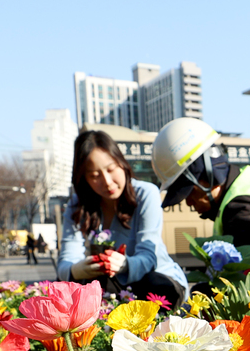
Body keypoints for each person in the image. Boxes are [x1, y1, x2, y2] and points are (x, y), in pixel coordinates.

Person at [56, 129, 189, 304]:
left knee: (150, 286)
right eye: (94, 175)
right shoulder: (77, 206)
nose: (107, 181)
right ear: (84, 179)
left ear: (122, 163)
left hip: (158, 283)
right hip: (114, 288)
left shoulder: (146, 193)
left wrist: (125, 265)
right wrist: (78, 269)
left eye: (111, 169)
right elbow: (66, 262)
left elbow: (148, 256)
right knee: (68, 292)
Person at [152, 118, 250, 257]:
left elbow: (245, 274)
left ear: (210, 173)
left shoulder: (245, 211)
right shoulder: (243, 184)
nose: (188, 202)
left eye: (189, 192)